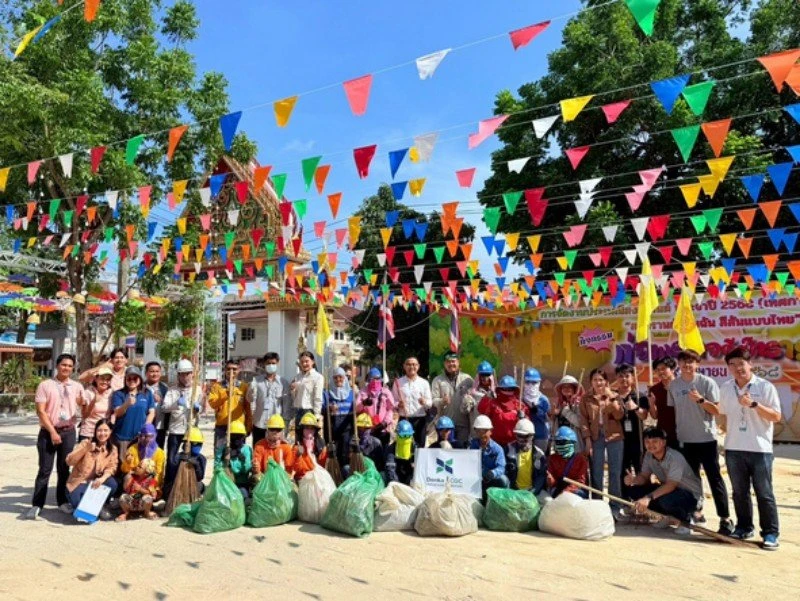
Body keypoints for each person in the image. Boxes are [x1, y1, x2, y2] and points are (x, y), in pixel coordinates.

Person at [708, 346, 782, 549]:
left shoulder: (765, 387)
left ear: (750, 364)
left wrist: (754, 405)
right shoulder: (726, 388)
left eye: (741, 363)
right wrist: (700, 401)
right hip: (734, 448)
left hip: (760, 449)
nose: (737, 368)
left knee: (764, 493)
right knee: (739, 492)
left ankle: (770, 533)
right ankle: (744, 527)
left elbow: (776, 416)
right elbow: (721, 411)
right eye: (732, 364)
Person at [667, 349, 732, 535]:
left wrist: (701, 400)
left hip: (706, 439)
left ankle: (725, 518)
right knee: (691, 480)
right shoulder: (674, 385)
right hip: (685, 440)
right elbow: (673, 412)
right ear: (678, 364)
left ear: (698, 364)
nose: (687, 365)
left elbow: (717, 410)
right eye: (684, 361)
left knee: (715, 478)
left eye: (691, 362)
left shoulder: (707, 383)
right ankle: (696, 513)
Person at [26, 353, 82, 519]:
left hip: (69, 431)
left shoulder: (77, 386)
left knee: (64, 469)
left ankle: (62, 501)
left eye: (70, 366)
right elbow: (40, 411)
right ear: (57, 365)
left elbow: (82, 406)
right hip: (48, 432)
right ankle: (37, 504)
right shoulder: (45, 385)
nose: (66, 368)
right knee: (45, 469)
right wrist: (52, 432)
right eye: (64, 365)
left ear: (73, 368)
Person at [624, 427, 703, 534]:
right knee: (635, 491)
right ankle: (666, 517)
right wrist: (633, 480)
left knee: (664, 500)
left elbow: (671, 485)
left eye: (655, 441)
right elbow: (644, 476)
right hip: (670, 491)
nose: (651, 445)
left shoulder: (674, 458)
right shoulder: (648, 455)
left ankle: (687, 520)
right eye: (647, 442)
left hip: (690, 495)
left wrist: (647, 498)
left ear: (663, 442)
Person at [579, 368, 625, 518]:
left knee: (614, 472)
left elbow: (619, 416)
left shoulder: (614, 396)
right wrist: (587, 440)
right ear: (590, 382)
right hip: (595, 437)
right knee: (596, 472)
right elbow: (584, 421)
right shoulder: (586, 398)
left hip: (614, 437)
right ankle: (598, 504)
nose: (598, 383)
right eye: (595, 380)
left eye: (601, 380)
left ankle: (615, 506)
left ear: (606, 381)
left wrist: (611, 399)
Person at [65, 419, 118, 521]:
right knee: (79, 506)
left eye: (105, 430)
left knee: (112, 483)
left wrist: (102, 478)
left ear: (110, 432)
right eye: (99, 430)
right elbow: (69, 461)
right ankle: (93, 508)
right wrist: (86, 449)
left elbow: (112, 467)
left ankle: (100, 505)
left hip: (95, 483)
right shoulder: (85, 443)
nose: (102, 433)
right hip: (79, 482)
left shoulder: (112, 449)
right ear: (95, 431)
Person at [614, 363, 650, 499]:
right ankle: (626, 501)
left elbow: (644, 415)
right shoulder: (613, 397)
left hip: (637, 440)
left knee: (641, 470)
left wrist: (635, 408)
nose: (624, 379)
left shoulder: (640, 397)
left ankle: (643, 500)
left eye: (627, 376)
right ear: (616, 378)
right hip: (619, 440)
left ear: (633, 378)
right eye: (620, 376)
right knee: (623, 471)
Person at [161, 359, 203, 468]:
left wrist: (198, 408)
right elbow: (164, 407)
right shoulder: (172, 391)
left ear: (192, 374)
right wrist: (176, 404)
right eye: (182, 375)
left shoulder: (197, 389)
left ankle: (187, 482)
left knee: (190, 459)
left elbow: (202, 408)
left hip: (191, 430)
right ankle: (170, 483)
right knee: (172, 459)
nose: (185, 377)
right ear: (178, 375)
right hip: (176, 429)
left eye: (188, 374)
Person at [110, 366, 155, 460]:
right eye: (129, 378)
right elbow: (117, 413)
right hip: (123, 437)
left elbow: (151, 412)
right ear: (125, 379)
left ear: (140, 379)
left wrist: (146, 428)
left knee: (139, 465)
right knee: (123, 467)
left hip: (140, 438)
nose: (132, 381)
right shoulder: (119, 394)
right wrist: (126, 404)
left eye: (135, 378)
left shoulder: (147, 393)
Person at [208, 360, 252, 454]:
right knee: (220, 455)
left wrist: (248, 427)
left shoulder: (243, 387)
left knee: (237, 456)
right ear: (225, 370)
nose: (231, 371)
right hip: (222, 427)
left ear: (239, 370)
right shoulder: (217, 386)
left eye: (234, 369)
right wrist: (225, 395)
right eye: (228, 369)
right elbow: (213, 404)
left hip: (238, 427)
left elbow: (248, 409)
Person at [247, 352, 291, 445]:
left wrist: (285, 427)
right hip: (260, 423)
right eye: (268, 363)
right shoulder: (256, 381)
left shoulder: (283, 382)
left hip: (276, 426)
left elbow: (286, 406)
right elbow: (249, 399)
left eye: (273, 363)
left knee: (275, 453)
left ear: (277, 363)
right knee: (258, 451)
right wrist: (251, 389)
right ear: (264, 364)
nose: (271, 365)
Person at [431, 351, 475, 444]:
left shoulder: (467, 379)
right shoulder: (437, 380)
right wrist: (442, 401)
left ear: (458, 362)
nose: (451, 364)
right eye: (448, 361)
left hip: (463, 424)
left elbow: (474, 399)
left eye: (453, 361)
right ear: (444, 364)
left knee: (461, 451)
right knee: (445, 451)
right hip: (444, 426)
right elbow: (433, 400)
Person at [392, 355, 433, 447]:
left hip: (420, 420)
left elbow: (430, 403)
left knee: (420, 447)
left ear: (418, 366)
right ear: (404, 366)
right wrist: (398, 404)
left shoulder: (424, 383)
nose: (411, 367)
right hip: (404, 420)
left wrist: (424, 402)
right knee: (404, 448)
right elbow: (393, 401)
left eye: (414, 364)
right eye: (409, 364)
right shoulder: (398, 382)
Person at [477, 375, 529, 446]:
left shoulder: (519, 405)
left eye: (510, 389)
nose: (507, 391)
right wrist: (486, 398)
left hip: (514, 444)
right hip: (495, 442)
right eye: (505, 389)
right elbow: (481, 410)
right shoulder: (493, 404)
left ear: (514, 390)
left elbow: (528, 425)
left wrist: (524, 418)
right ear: (499, 389)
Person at [470, 414, 509, 498]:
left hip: (490, 479)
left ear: (491, 431)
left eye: (485, 431)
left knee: (503, 480)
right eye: (479, 431)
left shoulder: (497, 449)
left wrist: (493, 473)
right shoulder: (471, 445)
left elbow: (501, 467)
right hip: (474, 478)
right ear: (475, 431)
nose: (482, 434)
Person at [504, 418, 546, 495]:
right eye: (520, 436)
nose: (523, 439)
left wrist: (532, 493)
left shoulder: (539, 454)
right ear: (516, 435)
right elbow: (503, 472)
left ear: (532, 436)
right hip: (513, 491)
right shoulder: (508, 450)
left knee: (548, 501)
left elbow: (541, 477)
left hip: (532, 492)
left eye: (527, 436)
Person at [163, 427, 207, 500]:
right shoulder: (177, 457)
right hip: (178, 485)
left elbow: (200, 477)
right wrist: (180, 462)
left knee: (201, 486)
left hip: (192, 485)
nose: (198, 446)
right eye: (195, 443)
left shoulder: (201, 458)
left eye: (199, 444)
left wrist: (196, 466)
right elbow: (171, 475)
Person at [354, 367, 393, 448]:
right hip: (367, 429)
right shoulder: (363, 392)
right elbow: (356, 409)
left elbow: (390, 409)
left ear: (381, 379)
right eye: (372, 379)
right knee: (368, 451)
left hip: (383, 429)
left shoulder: (386, 392)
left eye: (377, 379)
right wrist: (363, 403)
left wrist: (385, 423)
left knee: (382, 453)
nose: (375, 381)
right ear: (368, 379)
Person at [547, 426, 590, 498]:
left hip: (576, 491)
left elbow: (581, 482)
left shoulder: (580, 459)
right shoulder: (552, 459)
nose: (560, 444)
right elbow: (553, 483)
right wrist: (550, 480)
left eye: (563, 442)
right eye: (558, 442)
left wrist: (567, 491)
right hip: (559, 490)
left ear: (572, 442)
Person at [121, 423, 167, 488]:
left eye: (149, 436)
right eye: (142, 436)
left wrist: (149, 485)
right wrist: (128, 463)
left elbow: (158, 473)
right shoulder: (133, 449)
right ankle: (130, 495)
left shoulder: (160, 453)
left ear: (154, 436)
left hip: (150, 482)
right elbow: (124, 470)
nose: (145, 439)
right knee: (128, 477)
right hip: (135, 480)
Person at [215, 421, 253, 499]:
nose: (235, 439)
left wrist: (242, 459)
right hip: (225, 483)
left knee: (243, 497)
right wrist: (225, 461)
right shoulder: (223, 449)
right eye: (233, 436)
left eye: (238, 436)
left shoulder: (246, 450)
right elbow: (216, 467)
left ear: (243, 437)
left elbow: (247, 470)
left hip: (241, 483)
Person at [252, 414, 296, 480]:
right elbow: (257, 470)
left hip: (281, 480)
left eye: (278, 430)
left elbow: (289, 470)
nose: (275, 432)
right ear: (267, 430)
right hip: (264, 480)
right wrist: (255, 467)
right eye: (272, 429)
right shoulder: (259, 445)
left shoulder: (286, 447)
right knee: (256, 478)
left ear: (282, 431)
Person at [648, 357, 678, 448]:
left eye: (663, 369)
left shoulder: (682, 386)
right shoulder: (654, 389)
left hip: (682, 431)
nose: (660, 372)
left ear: (672, 369)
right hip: (663, 432)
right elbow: (654, 416)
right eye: (657, 370)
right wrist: (651, 404)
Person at [77, 367, 113, 442]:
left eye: (108, 379)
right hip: (89, 432)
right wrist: (94, 401)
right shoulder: (88, 392)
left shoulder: (111, 393)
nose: (105, 382)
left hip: (103, 433)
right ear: (96, 379)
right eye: (102, 378)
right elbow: (84, 415)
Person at [551, 374, 584, 453]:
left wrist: (566, 411)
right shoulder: (560, 404)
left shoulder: (578, 403)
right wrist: (554, 415)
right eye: (564, 387)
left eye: (569, 387)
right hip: (560, 443)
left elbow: (580, 423)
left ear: (574, 389)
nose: (566, 389)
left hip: (574, 444)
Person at [462, 361, 495, 438]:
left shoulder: (496, 393)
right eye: (482, 375)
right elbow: (464, 411)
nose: (484, 378)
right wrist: (466, 402)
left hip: (491, 436)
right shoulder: (471, 393)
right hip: (475, 435)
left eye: (487, 375)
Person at [290, 351, 324, 425]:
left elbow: (318, 398)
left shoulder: (317, 377)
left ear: (313, 362)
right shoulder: (297, 377)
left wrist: (317, 415)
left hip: (309, 411)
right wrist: (293, 390)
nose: (304, 364)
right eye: (302, 362)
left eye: (306, 361)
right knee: (298, 436)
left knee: (308, 436)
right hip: (297, 411)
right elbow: (294, 397)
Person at [521, 368, 550, 453]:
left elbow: (549, 417)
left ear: (539, 383)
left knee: (539, 461)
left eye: (534, 383)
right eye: (528, 382)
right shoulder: (520, 399)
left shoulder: (544, 400)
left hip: (541, 435)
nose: (531, 385)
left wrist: (538, 411)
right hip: (524, 435)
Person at [293, 412, 328, 482]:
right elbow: (298, 470)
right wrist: (298, 456)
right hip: (303, 479)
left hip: (319, 477)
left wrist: (329, 454)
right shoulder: (296, 447)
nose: (309, 431)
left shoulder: (321, 444)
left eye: (312, 428)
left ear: (315, 430)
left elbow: (324, 464)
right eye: (306, 428)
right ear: (302, 430)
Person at [145, 362, 170, 449]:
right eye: (152, 371)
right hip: (146, 426)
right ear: (146, 373)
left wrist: (161, 401)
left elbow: (169, 406)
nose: (155, 374)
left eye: (157, 371)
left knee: (158, 452)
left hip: (160, 427)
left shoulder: (165, 388)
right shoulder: (141, 388)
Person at [385, 420, 416, 485]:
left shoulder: (414, 447)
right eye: (403, 435)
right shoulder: (391, 448)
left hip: (410, 477)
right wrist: (397, 484)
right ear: (397, 434)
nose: (405, 438)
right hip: (396, 475)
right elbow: (390, 469)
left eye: (408, 436)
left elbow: (419, 466)